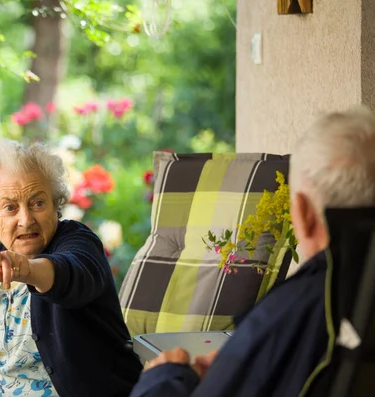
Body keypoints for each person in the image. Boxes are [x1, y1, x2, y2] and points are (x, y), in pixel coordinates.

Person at [130, 105, 375, 397]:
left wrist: (164, 377)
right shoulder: (352, 303)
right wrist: (234, 364)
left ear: (304, 213)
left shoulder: (297, 309)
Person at [0, 140, 142, 397]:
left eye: (38, 203)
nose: (26, 219)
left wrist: (27, 270)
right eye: (10, 207)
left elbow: (72, 276)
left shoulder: (78, 242)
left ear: (56, 206)